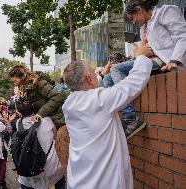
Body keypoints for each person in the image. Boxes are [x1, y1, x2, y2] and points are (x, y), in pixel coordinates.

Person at [62, 46, 154, 189]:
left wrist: (101, 75)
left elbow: (87, 89)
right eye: (93, 71)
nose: (95, 73)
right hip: (103, 182)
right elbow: (132, 84)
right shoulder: (99, 101)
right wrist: (140, 57)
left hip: (78, 180)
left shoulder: (69, 104)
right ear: (90, 78)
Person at [108, 0, 186, 138]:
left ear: (139, 10)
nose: (133, 22)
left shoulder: (166, 12)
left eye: (132, 19)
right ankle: (117, 118)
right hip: (148, 61)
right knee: (108, 78)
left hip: (164, 60)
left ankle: (131, 117)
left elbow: (182, 36)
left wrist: (175, 59)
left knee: (115, 69)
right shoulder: (143, 28)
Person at [9, 65, 70, 170]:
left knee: (62, 163)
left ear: (22, 77)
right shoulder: (25, 88)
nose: (15, 83)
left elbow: (56, 97)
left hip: (58, 122)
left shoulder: (39, 83)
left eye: (15, 80)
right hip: (48, 123)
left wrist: (41, 113)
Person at [15, 97, 64, 189]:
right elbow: (55, 137)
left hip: (28, 171)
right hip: (51, 170)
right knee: (60, 180)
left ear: (19, 110)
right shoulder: (47, 121)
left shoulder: (18, 123)